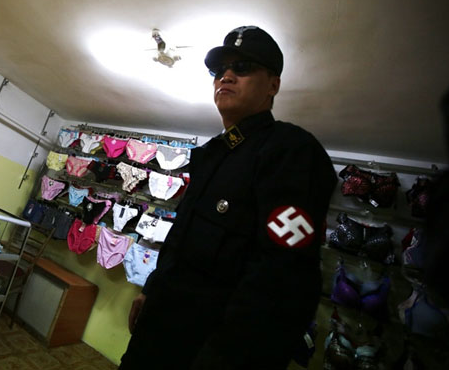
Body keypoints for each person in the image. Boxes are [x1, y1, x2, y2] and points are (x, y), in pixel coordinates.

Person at [119, 26, 337, 369]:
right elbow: (181, 238)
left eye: (243, 67)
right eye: (219, 70)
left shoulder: (289, 151)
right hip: (158, 328)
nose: (227, 76)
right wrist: (152, 289)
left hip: (211, 348)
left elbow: (285, 277)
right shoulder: (212, 155)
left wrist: (225, 358)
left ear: (273, 85)